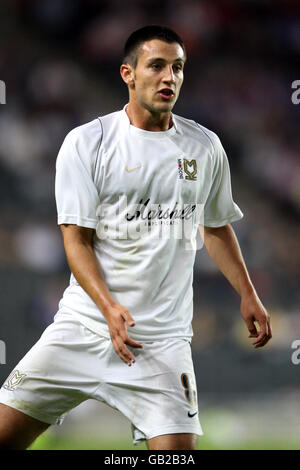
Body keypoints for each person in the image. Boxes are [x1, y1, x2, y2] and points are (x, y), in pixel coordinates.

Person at [0, 25, 272, 450]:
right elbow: (76, 242)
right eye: (157, 66)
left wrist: (248, 293)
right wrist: (108, 309)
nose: (170, 78)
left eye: (178, 68)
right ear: (128, 73)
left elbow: (216, 225)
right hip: (83, 328)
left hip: (162, 343)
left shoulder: (204, 147)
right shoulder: (88, 143)